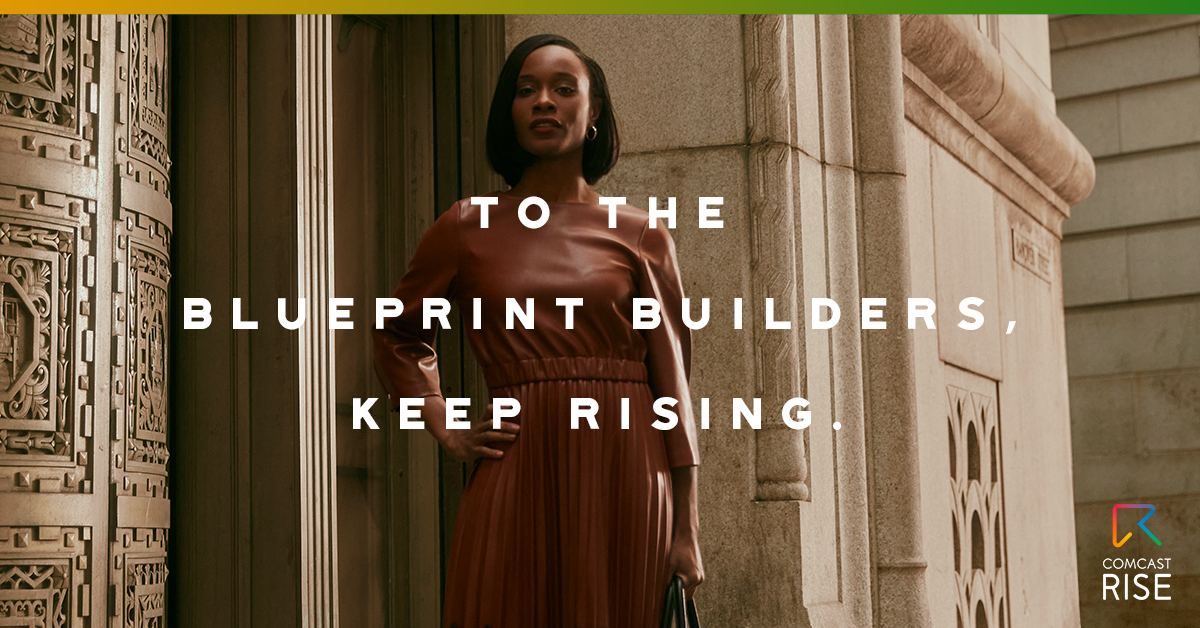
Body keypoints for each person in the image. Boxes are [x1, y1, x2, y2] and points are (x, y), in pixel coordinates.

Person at [373, 33, 704, 628]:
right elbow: (398, 333)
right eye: (527, 91)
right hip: (515, 462)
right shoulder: (466, 226)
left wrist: (687, 527)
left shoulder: (641, 233)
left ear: (593, 111)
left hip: (626, 470)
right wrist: (445, 425)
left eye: (562, 88)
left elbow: (673, 388)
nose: (544, 102)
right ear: (510, 112)